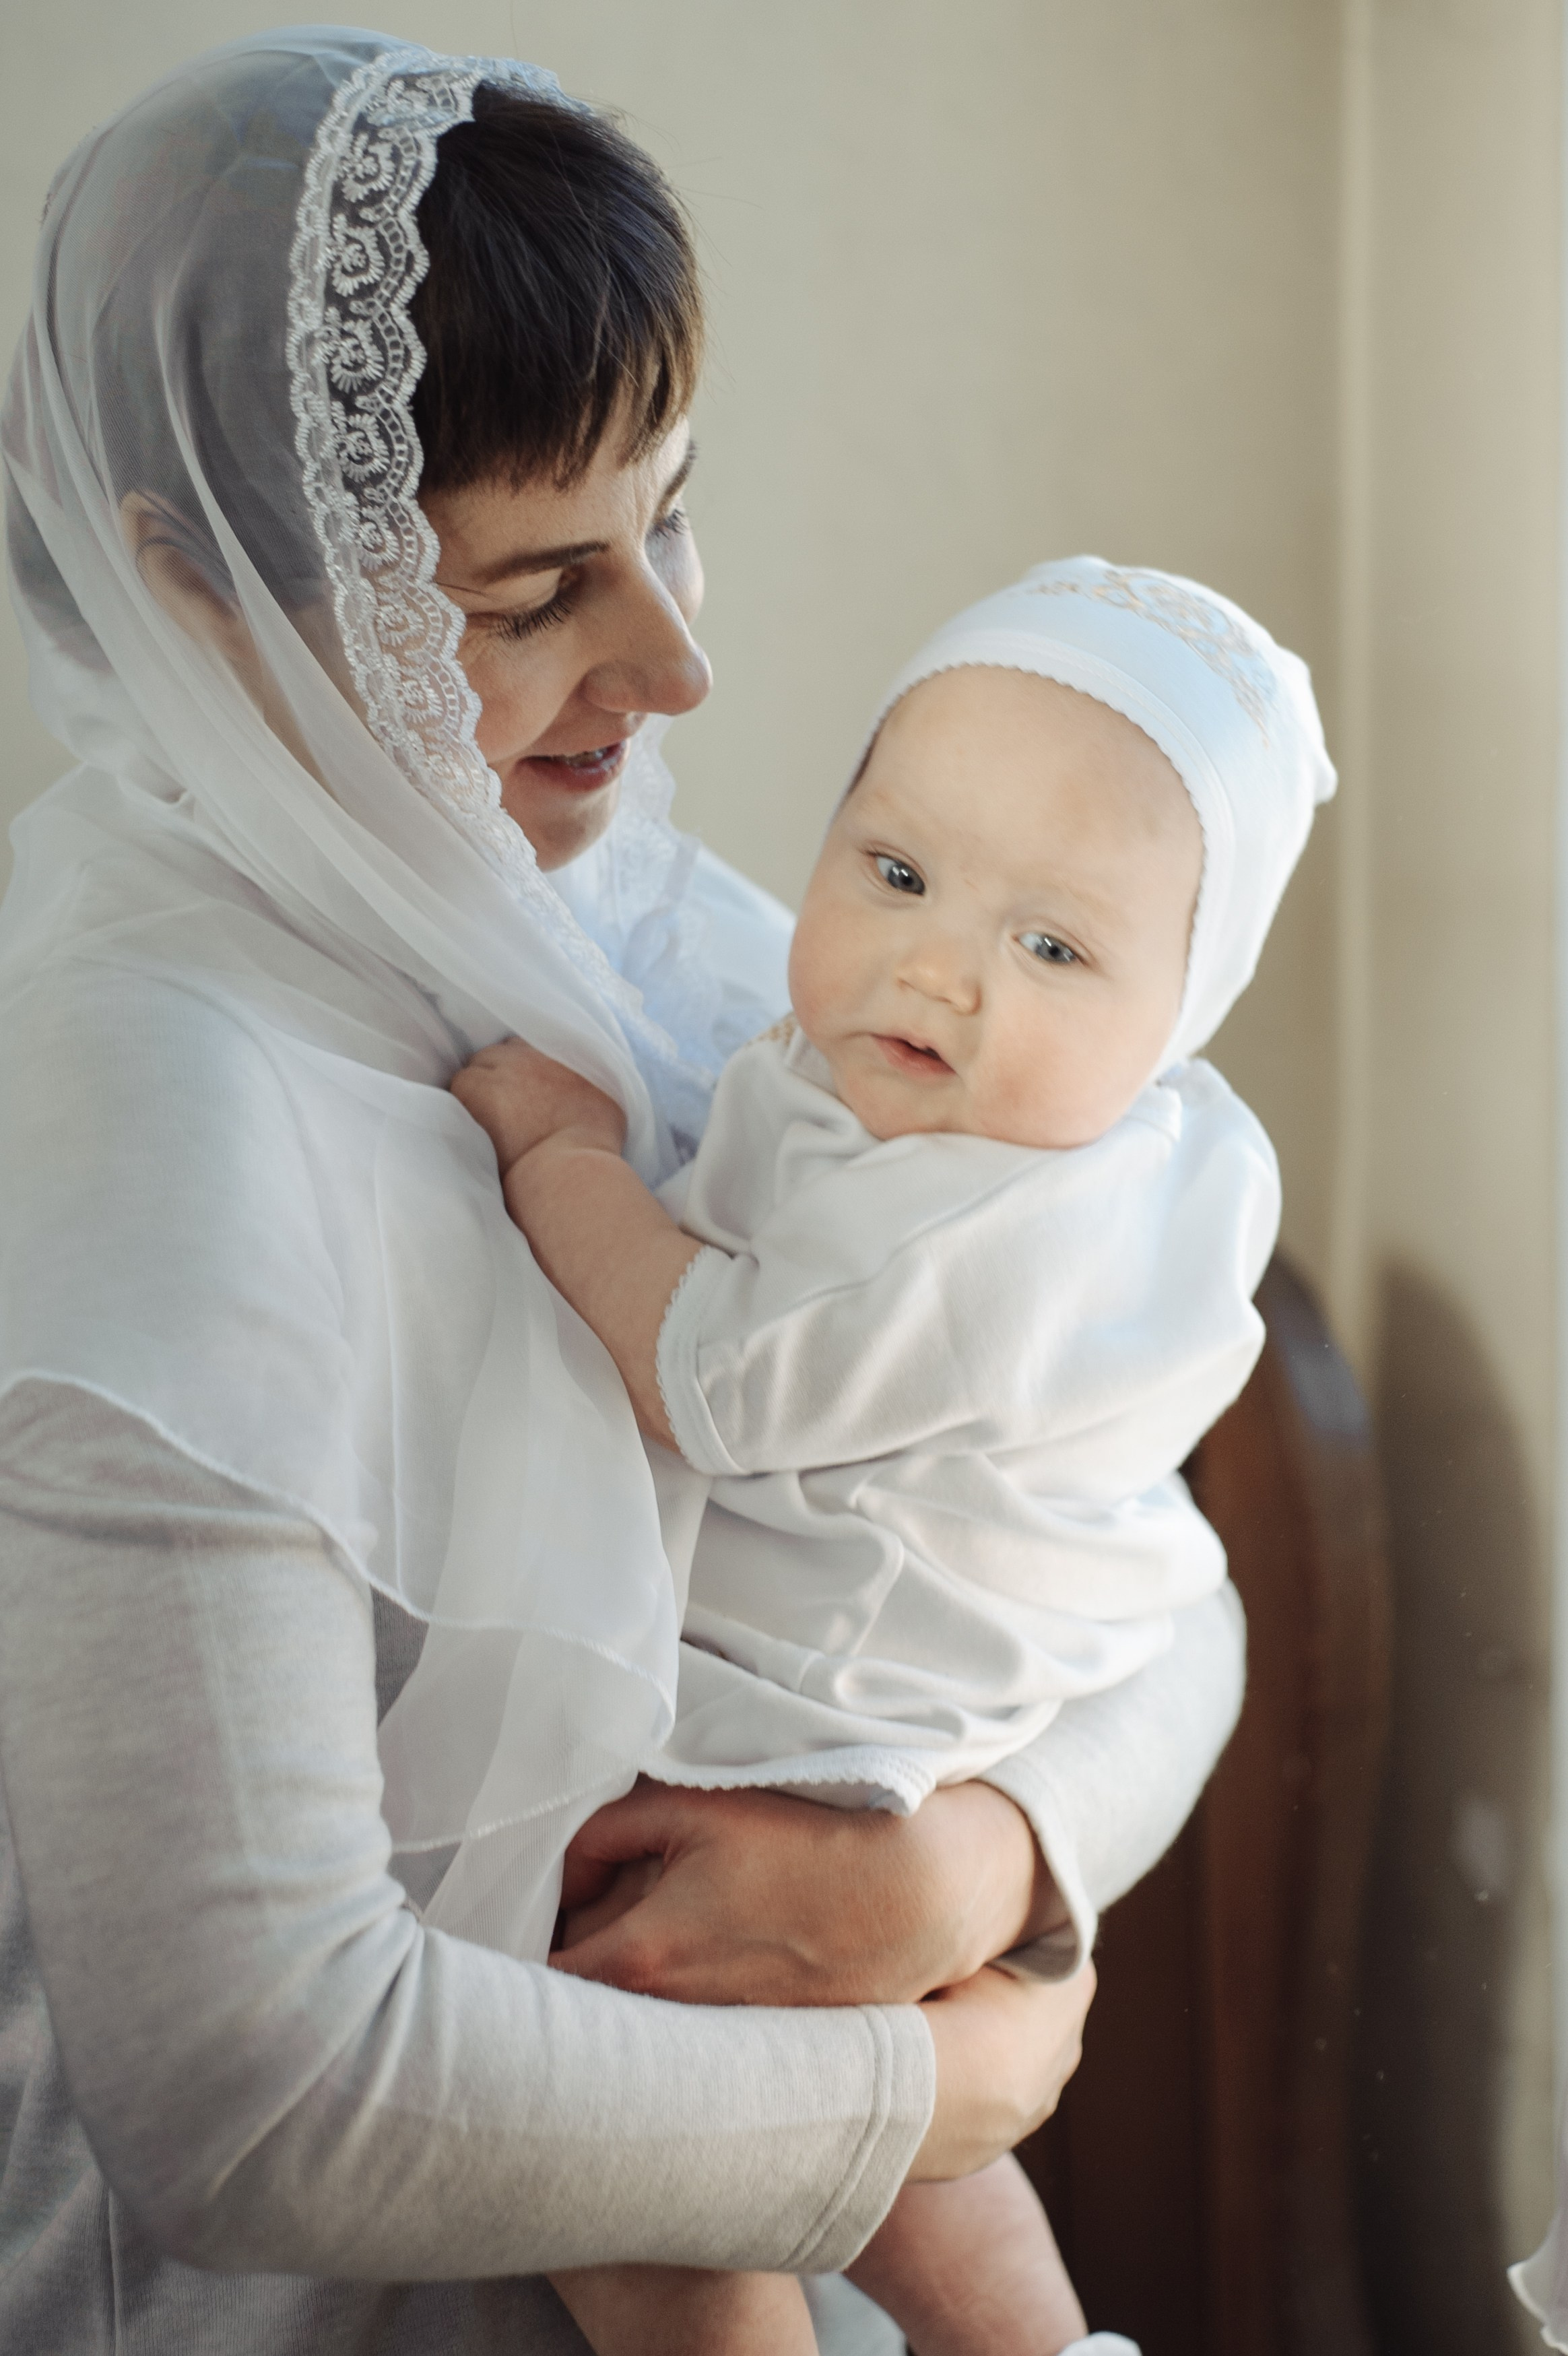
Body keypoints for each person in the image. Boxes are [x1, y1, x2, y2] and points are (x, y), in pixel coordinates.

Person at [0, 31, 1246, 2355]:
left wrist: (963, 1864)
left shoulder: (663, 936)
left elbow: (1151, 1575)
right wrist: (931, 2083)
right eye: (532, 591)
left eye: (670, 514)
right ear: (194, 588)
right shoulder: (140, 1133)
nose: (679, 665)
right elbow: (256, 2094)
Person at [454, 558, 1334, 2353]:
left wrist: (564, 1165)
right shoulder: (1059, 1131)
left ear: (1184, 1009)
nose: (940, 966)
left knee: (655, 2195)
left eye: (1055, 947)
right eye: (899, 872)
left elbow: (722, 1374)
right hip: (922, 1751)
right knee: (901, 2172)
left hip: (814, 1741)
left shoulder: (989, 1210)